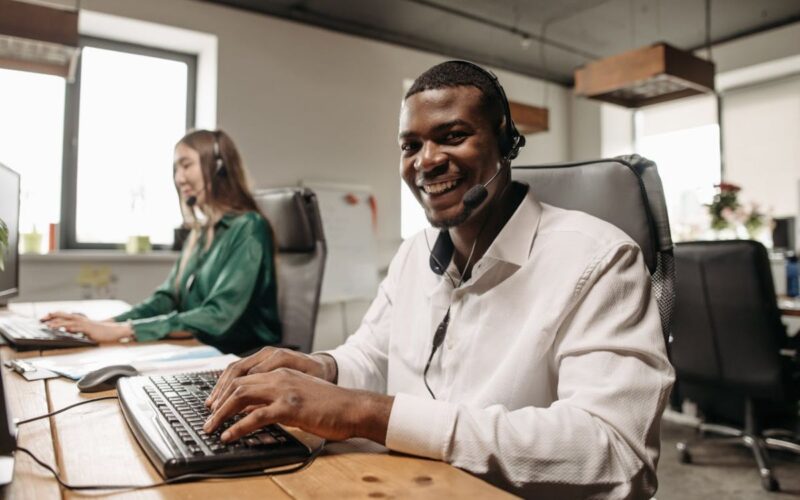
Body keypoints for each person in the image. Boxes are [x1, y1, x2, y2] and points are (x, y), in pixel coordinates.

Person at [202, 62, 674, 497]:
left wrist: (368, 413)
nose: (426, 161)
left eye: (451, 136)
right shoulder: (415, 252)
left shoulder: (599, 259)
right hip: (407, 483)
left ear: (506, 140)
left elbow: (615, 451)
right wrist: (322, 368)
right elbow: (372, 354)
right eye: (410, 145)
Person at [43, 129, 281, 355]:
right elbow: (166, 299)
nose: (179, 178)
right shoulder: (201, 232)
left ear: (218, 167)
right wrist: (101, 325)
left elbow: (217, 316)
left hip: (239, 359)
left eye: (186, 165)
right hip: (198, 348)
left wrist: (123, 331)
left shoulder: (249, 227)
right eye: (175, 169)